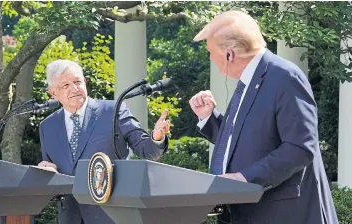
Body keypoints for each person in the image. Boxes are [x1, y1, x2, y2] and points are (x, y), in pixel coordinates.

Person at [189, 10, 338, 224]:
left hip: (282, 214)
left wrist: (245, 178)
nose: (210, 57)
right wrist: (209, 118)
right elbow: (248, 140)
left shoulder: (285, 76)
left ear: (229, 54)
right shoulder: (249, 81)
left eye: (210, 51)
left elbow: (300, 147)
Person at [37, 59, 171, 224]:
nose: (74, 89)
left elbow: (147, 150)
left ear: (85, 82)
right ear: (52, 93)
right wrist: (44, 174)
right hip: (70, 217)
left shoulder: (112, 111)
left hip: (113, 215)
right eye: (65, 86)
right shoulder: (47, 127)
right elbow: (52, 174)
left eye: (77, 82)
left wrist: (157, 137)